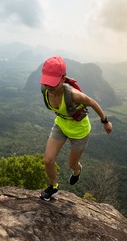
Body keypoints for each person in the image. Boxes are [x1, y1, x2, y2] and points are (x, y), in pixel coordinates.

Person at [39, 56, 113, 201]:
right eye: (47, 83)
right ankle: (53, 186)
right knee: (48, 160)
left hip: (79, 131)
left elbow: (92, 103)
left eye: (52, 84)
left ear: (63, 78)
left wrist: (105, 122)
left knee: (72, 164)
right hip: (61, 124)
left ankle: (77, 171)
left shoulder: (74, 95)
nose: (49, 87)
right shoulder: (45, 90)